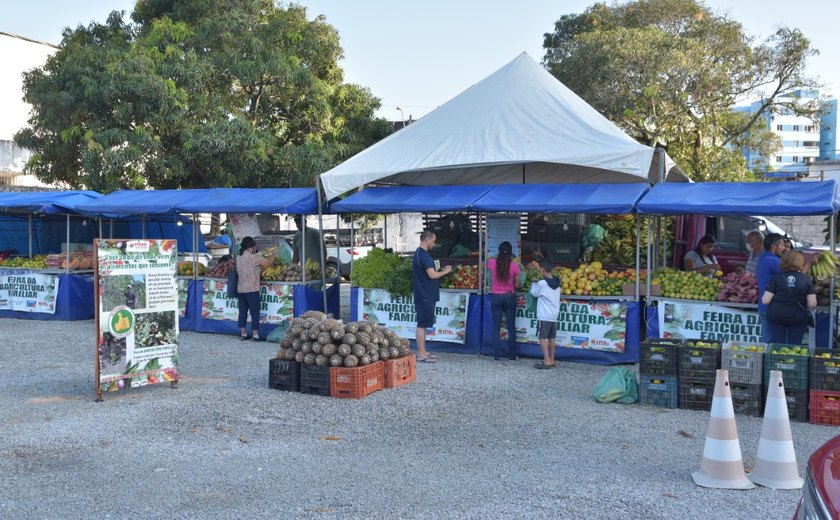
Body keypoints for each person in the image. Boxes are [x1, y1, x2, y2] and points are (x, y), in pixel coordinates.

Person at [412, 231, 452, 363]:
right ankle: (421, 354)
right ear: (427, 239)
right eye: (433, 241)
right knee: (422, 324)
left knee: (424, 324)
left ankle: (424, 352)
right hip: (425, 295)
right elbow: (432, 275)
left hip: (426, 294)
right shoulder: (423, 255)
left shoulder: (420, 253)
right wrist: (446, 271)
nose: (434, 244)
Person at [762, 250, 816, 345]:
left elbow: (765, 300)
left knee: (777, 345)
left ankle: (777, 354)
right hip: (798, 318)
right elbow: (812, 304)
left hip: (777, 316)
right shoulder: (806, 279)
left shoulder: (776, 278)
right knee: (795, 346)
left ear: (783, 261)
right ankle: (793, 354)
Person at [237, 236, 276, 341]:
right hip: (252, 289)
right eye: (253, 247)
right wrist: (273, 255)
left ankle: (243, 333)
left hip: (241, 289)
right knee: (254, 312)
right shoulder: (254, 257)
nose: (255, 249)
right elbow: (268, 264)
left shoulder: (238, 257)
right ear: (250, 247)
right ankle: (255, 335)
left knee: (242, 312)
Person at [488, 241, 522, 361]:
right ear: (511, 252)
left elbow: (486, 266)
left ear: (499, 251)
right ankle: (512, 355)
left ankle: (496, 356)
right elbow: (517, 285)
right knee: (511, 327)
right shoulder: (514, 266)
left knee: (496, 327)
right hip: (509, 296)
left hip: (496, 297)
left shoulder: (492, 263)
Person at [529, 259, 561, 369]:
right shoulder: (557, 282)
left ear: (542, 269)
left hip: (544, 314)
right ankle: (552, 359)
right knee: (552, 337)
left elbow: (534, 293)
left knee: (542, 337)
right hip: (553, 315)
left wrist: (534, 283)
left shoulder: (542, 283)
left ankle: (546, 360)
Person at [756, 233, 785, 342]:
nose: (784, 248)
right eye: (782, 245)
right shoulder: (773, 260)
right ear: (773, 247)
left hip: (763, 305)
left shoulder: (762, 257)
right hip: (772, 307)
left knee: (767, 340)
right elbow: (793, 276)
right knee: (775, 342)